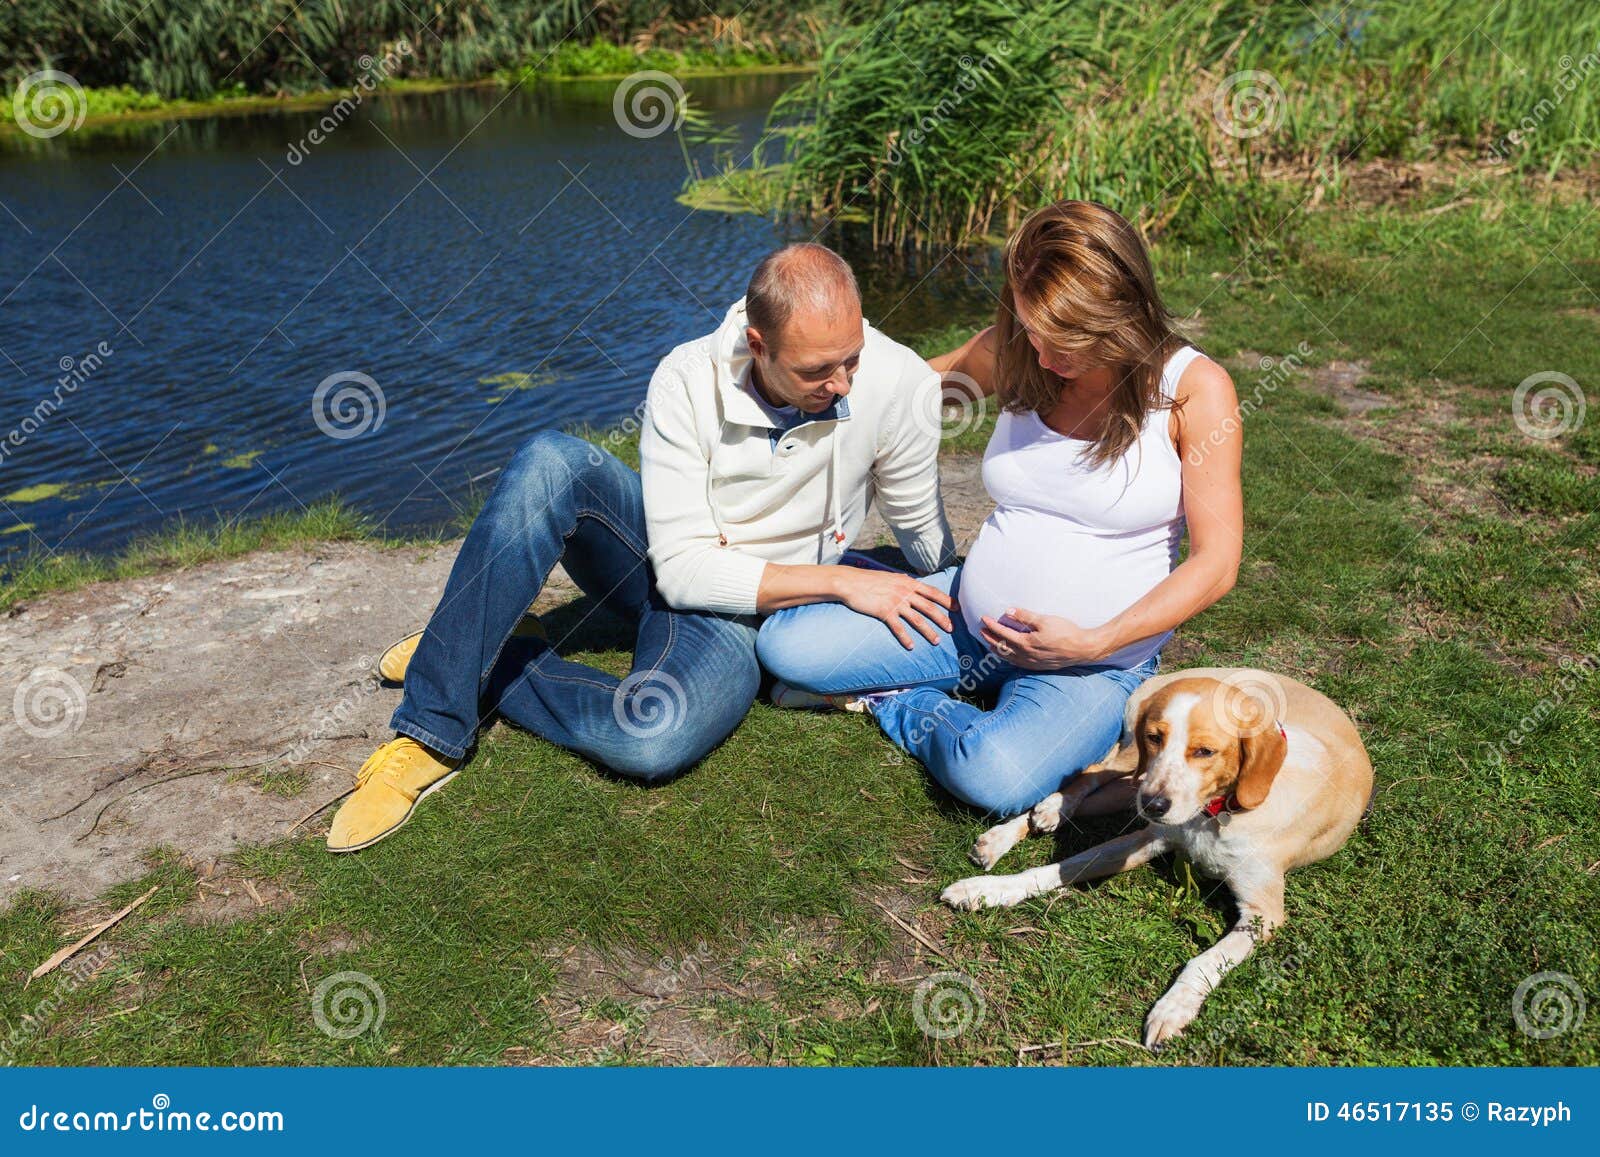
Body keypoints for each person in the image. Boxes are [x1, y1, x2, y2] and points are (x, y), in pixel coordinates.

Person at [326, 243, 956, 852]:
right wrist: (842, 582)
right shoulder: (687, 377)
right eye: (816, 371)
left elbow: (918, 523)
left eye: (851, 357)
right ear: (758, 346)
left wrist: (967, 601)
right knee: (552, 462)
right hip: (672, 561)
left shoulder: (895, 379)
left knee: (648, 739)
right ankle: (432, 730)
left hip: (740, 616)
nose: (843, 383)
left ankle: (484, 658)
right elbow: (681, 573)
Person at [757, 201, 1245, 818]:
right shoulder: (1017, 348)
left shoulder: (1193, 391)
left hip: (1090, 664)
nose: (1041, 356)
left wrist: (1095, 642)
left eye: (1063, 340)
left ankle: (897, 699)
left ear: (1118, 313)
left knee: (995, 776)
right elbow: (911, 391)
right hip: (966, 620)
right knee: (787, 647)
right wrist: (789, 394)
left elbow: (1217, 562)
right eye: (1030, 328)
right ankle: (925, 663)